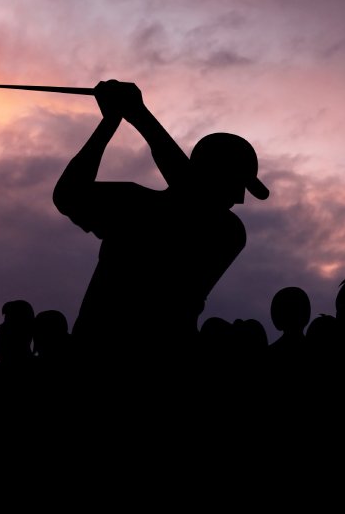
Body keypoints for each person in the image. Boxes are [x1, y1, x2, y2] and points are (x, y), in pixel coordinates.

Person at [53, 80, 268, 365]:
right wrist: (113, 120)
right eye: (235, 186)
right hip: (146, 358)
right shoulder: (139, 203)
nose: (238, 198)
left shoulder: (227, 232)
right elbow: (68, 194)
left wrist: (135, 114)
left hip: (117, 354)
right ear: (217, 179)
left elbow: (192, 198)